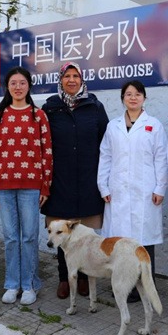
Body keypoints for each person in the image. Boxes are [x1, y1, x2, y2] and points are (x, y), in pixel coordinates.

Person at [0, 66, 53, 305]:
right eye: (13, 83)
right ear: (7, 87)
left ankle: (30, 285)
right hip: (4, 185)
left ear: (29, 86)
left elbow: (47, 153)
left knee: (30, 237)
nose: (18, 87)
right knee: (12, 237)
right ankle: (12, 284)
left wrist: (45, 185)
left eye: (22, 82)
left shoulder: (38, 115)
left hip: (31, 185)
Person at [41, 61, 109, 299]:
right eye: (67, 76)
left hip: (88, 180)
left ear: (82, 79)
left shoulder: (95, 106)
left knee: (85, 235)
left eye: (75, 76)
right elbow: (41, 144)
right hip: (60, 182)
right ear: (60, 80)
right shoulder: (50, 108)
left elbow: (107, 143)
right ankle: (64, 278)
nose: (71, 80)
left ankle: (83, 277)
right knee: (61, 234)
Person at [97, 80, 168, 302]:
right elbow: (105, 157)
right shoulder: (113, 126)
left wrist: (160, 187)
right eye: (128, 94)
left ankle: (146, 286)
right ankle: (123, 286)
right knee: (120, 243)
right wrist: (103, 186)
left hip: (145, 193)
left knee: (143, 241)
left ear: (144, 98)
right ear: (123, 99)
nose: (133, 97)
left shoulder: (153, 125)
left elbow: (161, 158)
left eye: (138, 94)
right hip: (117, 191)